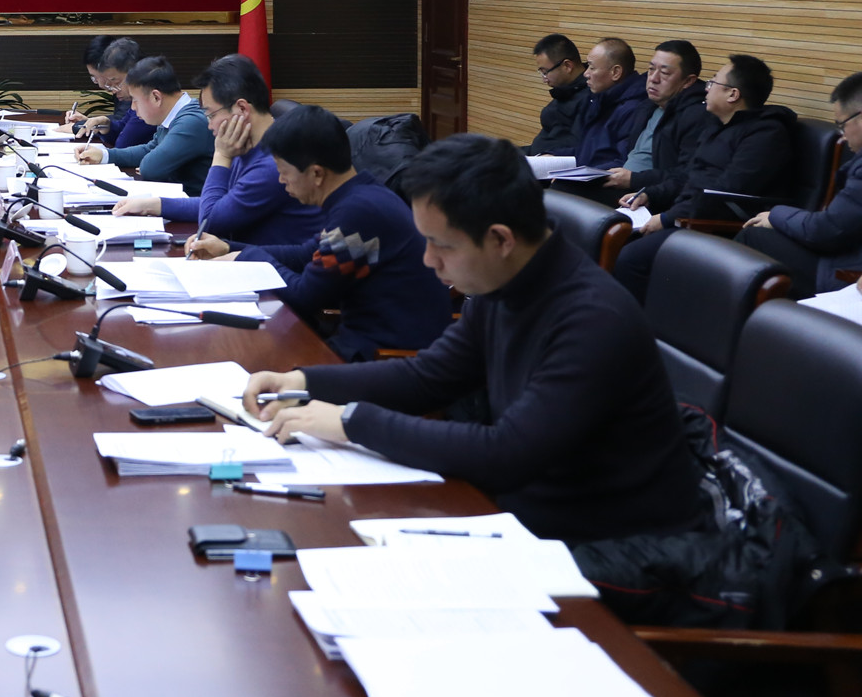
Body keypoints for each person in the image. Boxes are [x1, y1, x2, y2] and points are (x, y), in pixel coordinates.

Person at [241, 132, 706, 543]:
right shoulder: (502, 285)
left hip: (616, 548)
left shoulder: (593, 318)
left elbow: (507, 452)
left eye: (441, 244)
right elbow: (428, 377)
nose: (428, 260)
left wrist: (349, 421)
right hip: (528, 516)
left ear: (501, 239)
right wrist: (303, 381)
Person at [184, 105, 450, 361]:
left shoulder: (359, 212)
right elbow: (307, 254)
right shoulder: (361, 195)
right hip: (364, 343)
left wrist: (248, 258)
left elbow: (305, 296)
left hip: (384, 358)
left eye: (284, 172)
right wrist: (229, 248)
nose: (281, 180)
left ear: (316, 174)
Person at [614, 55, 795, 301]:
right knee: (612, 231)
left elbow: (723, 193)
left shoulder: (766, 135)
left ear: (733, 94)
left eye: (713, 83)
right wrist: (650, 194)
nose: (706, 89)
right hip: (687, 214)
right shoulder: (717, 124)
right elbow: (688, 175)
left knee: (629, 258)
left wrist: (668, 218)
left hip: (714, 226)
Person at [113, 54, 320, 245]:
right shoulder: (248, 144)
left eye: (211, 115)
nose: (209, 125)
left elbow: (211, 220)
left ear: (241, 109)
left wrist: (221, 155)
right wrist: (154, 205)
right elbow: (222, 204)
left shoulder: (273, 162)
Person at [737, 71, 862, 296]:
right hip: (846, 254)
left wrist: (775, 215)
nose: (842, 136)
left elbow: (826, 231)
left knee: (752, 237)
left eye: (841, 125)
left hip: (847, 273)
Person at [73, 56, 215, 193]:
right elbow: (149, 149)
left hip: (195, 205)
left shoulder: (191, 122)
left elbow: (150, 168)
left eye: (135, 100)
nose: (133, 108)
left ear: (156, 97)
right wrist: (104, 155)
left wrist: (151, 163)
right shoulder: (174, 114)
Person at [602, 41, 704, 197]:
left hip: (650, 195)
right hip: (622, 183)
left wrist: (634, 180)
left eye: (665, 73)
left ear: (688, 81)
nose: (653, 79)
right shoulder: (647, 106)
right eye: (651, 69)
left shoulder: (695, 116)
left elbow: (686, 175)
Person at [571, 38, 649, 170]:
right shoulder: (599, 100)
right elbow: (585, 152)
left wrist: (574, 176)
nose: (586, 73)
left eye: (592, 67)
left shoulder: (633, 109)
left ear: (616, 72)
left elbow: (622, 164)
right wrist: (553, 156)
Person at [66, 36, 154, 149]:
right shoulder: (137, 97)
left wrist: (77, 127)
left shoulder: (148, 102)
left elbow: (122, 146)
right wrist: (106, 126)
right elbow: (122, 127)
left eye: (116, 82)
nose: (112, 90)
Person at [524, 34, 588, 156]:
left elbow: (576, 147)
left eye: (545, 72)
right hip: (537, 156)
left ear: (567, 66)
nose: (544, 79)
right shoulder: (565, 90)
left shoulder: (589, 97)